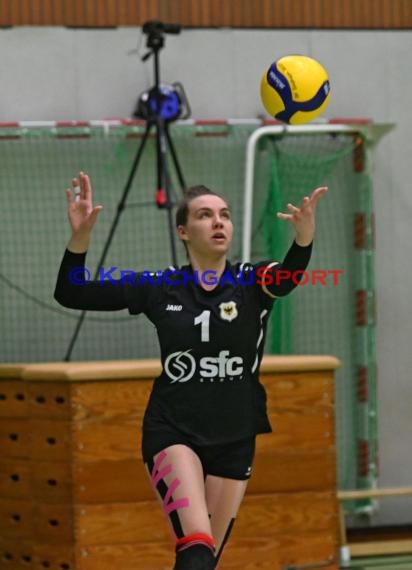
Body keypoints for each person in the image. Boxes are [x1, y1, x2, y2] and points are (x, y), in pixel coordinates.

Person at [54, 172, 327, 570]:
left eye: (225, 215)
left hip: (235, 435)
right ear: (183, 231)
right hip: (174, 431)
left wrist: (303, 239)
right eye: (205, 215)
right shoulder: (160, 287)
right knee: (197, 547)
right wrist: (80, 238)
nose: (219, 222)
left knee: (204, 559)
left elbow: (286, 281)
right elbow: (71, 291)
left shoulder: (252, 281)